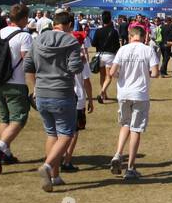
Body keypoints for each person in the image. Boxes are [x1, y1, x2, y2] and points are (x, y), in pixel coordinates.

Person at [24, 10, 85, 192]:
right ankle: (48, 166)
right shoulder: (71, 41)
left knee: (52, 134)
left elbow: (28, 65)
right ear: (69, 25)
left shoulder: (38, 40)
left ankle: (55, 176)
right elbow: (74, 68)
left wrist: (34, 88)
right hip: (62, 92)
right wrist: (80, 60)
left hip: (41, 93)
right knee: (66, 134)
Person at [103, 22, 159, 181]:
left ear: (130, 36)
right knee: (136, 129)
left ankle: (118, 154)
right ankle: (130, 167)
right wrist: (144, 72)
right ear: (143, 36)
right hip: (140, 94)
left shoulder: (122, 49)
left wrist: (122, 74)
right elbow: (155, 73)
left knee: (125, 125)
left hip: (123, 93)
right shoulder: (148, 50)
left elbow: (112, 72)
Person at [0, 4, 35, 175]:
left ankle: (6, 153)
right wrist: (33, 87)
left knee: (4, 117)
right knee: (19, 119)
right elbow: (28, 64)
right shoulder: (24, 36)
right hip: (16, 82)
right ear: (22, 18)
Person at [61, 29, 96, 173]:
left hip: (61, 95)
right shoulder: (82, 60)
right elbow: (86, 82)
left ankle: (57, 157)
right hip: (78, 98)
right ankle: (67, 160)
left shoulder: (60, 56)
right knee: (74, 131)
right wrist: (90, 100)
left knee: (60, 130)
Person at [90, 11, 121, 103]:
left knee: (102, 76)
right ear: (110, 19)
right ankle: (102, 92)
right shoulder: (114, 31)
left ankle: (104, 95)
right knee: (109, 76)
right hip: (109, 56)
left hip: (99, 55)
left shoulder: (98, 31)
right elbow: (117, 46)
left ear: (102, 20)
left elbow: (93, 43)